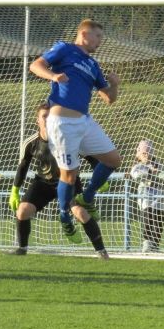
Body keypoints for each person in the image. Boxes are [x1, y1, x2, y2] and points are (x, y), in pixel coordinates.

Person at [28, 19, 121, 243]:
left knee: (114, 160)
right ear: (84, 34)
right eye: (97, 36)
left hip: (84, 121)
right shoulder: (64, 48)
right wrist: (53, 76)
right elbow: (35, 65)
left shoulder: (93, 65)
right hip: (61, 122)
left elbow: (108, 99)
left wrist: (115, 84)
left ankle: (87, 197)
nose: (100, 41)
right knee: (69, 175)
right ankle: (65, 217)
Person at [8, 103, 109, 259]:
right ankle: (22, 249)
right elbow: (23, 167)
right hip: (43, 183)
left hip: (68, 181)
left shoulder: (67, 138)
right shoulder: (30, 143)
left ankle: (102, 252)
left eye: (51, 117)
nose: (48, 119)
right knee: (22, 210)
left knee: (80, 213)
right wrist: (15, 190)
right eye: (44, 116)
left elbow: (92, 158)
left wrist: (100, 178)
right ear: (37, 120)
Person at [130, 139, 164, 253]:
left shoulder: (159, 164)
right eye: (143, 153)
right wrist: (150, 173)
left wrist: (157, 172)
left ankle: (155, 244)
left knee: (159, 219)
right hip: (145, 195)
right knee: (148, 216)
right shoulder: (138, 166)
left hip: (159, 195)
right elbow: (135, 175)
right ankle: (147, 242)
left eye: (148, 152)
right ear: (139, 154)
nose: (146, 155)